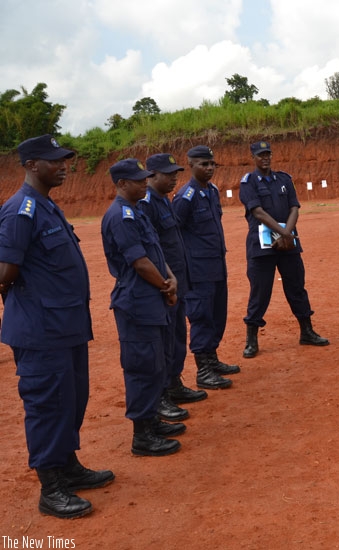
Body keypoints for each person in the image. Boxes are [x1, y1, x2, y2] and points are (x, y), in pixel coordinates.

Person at [0, 135, 114, 518]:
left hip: (67, 326)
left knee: (72, 400)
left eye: (65, 160)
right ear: (31, 165)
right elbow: (4, 273)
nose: (64, 166)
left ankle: (68, 465)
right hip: (41, 331)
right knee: (48, 406)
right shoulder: (20, 211)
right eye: (54, 161)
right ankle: (51, 488)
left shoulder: (47, 207)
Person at [102, 158, 185, 457]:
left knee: (157, 363)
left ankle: (152, 421)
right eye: (138, 180)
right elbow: (139, 262)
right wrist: (166, 285)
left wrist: (171, 278)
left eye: (145, 178)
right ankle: (142, 435)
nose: (144, 183)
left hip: (152, 296)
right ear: (122, 184)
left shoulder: (137, 211)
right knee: (142, 367)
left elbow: (155, 252)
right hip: (137, 300)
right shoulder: (120, 216)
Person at [239, 140, 328, 357]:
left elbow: (294, 207)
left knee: (297, 287)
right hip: (262, 246)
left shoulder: (284, 179)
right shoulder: (248, 182)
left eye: (268, 154)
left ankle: (307, 331)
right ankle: (251, 340)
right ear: (253, 158)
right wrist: (284, 233)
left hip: (288, 243)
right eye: (261, 155)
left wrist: (286, 234)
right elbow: (257, 212)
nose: (265, 158)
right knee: (260, 291)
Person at [138, 153, 208, 416]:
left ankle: (174, 383)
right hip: (163, 285)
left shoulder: (164, 200)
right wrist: (165, 281)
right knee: (165, 341)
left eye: (175, 174)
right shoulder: (146, 204)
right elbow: (150, 250)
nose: (174, 179)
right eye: (168, 175)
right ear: (151, 176)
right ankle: (163, 393)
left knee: (177, 336)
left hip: (178, 281)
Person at [172, 146, 238, 389]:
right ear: (190, 165)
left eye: (212, 164)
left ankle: (212, 359)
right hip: (197, 270)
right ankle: (203, 371)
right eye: (203, 164)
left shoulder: (212, 191)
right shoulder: (185, 196)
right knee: (201, 316)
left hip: (217, 265)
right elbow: (175, 233)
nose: (209, 168)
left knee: (217, 314)